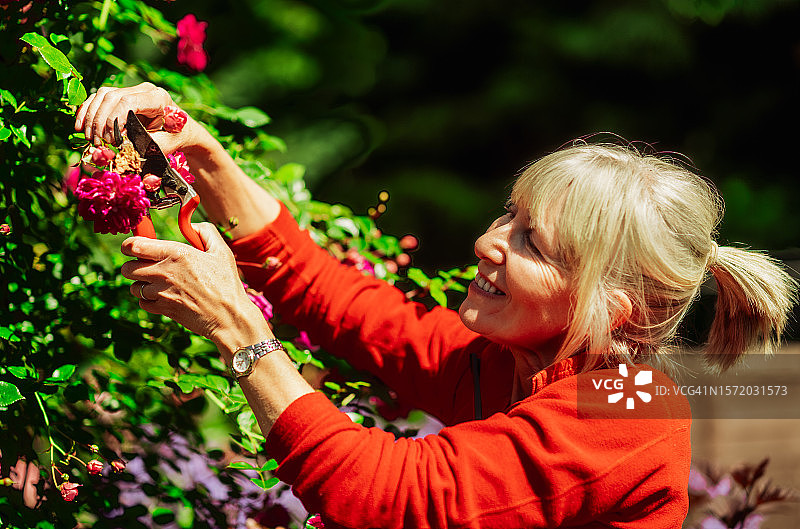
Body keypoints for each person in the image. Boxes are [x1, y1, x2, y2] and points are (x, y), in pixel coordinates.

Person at [75, 83, 797, 529]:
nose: (488, 242)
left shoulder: (630, 411)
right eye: (509, 215)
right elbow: (343, 302)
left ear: (615, 309)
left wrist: (238, 328)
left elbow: (392, 498)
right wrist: (201, 152)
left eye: (532, 242)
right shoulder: (513, 361)